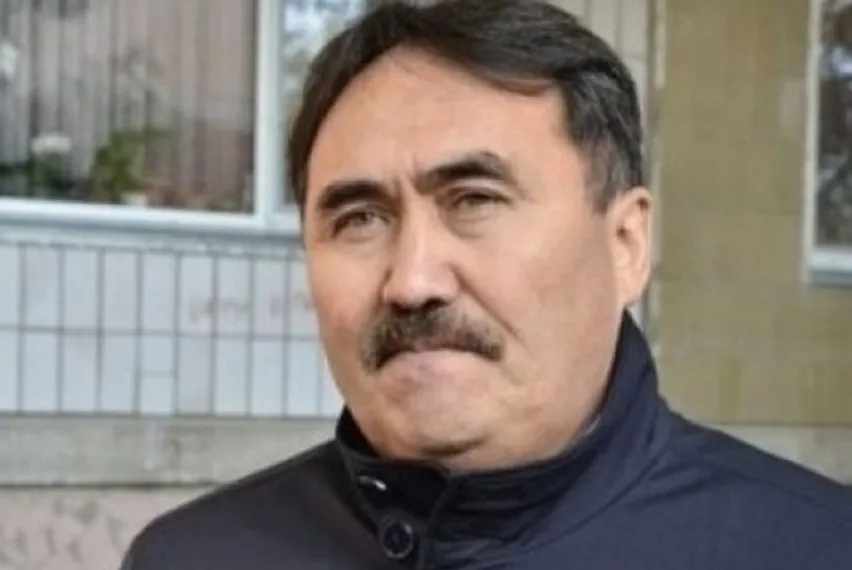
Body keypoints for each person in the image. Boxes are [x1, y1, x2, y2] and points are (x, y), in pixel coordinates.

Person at [120, 1, 852, 568]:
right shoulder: (197, 558)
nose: (412, 282)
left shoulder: (813, 547)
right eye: (360, 218)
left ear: (626, 245)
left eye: (474, 200)